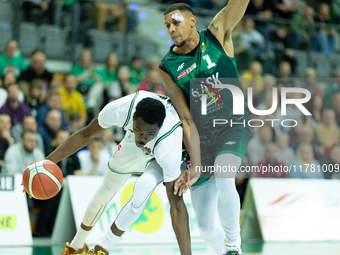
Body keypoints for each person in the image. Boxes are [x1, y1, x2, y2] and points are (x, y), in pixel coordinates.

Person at [44, 91, 191, 254]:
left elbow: (177, 206)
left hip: (159, 154)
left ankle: (101, 249)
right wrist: (46, 163)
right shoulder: (120, 109)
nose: (143, 138)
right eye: (139, 130)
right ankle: (76, 245)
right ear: (133, 118)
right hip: (131, 146)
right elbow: (85, 134)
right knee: (104, 192)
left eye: (150, 133)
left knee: (143, 186)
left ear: (159, 127)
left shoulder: (168, 146)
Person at [159, 2, 251, 255]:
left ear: (191, 21)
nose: (171, 29)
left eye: (175, 22)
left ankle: (233, 246)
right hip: (202, 137)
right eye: (167, 25)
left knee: (224, 175)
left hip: (233, 125)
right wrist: (196, 164)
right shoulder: (167, 66)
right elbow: (186, 118)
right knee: (206, 225)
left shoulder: (218, 33)